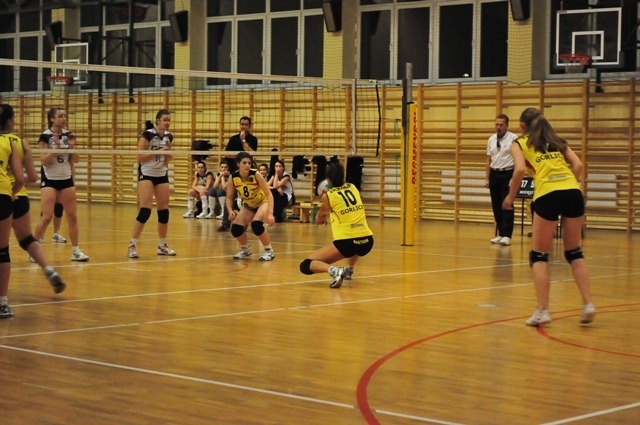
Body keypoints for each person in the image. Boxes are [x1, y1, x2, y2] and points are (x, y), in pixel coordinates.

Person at [502, 107, 595, 326]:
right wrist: (566, 184)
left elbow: (519, 170)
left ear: (522, 126)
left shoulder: (519, 143)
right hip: (573, 192)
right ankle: (588, 304)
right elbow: (578, 165)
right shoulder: (556, 140)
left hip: (547, 194)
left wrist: (510, 197)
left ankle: (543, 311)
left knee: (539, 255)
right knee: (574, 251)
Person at [0, 104, 66, 294]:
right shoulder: (21, 143)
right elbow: (33, 177)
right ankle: (49, 270)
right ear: (11, 121)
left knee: (2, 249)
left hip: (4, 194)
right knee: (27, 238)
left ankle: (3, 298)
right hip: (18, 196)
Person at [298, 161, 374, 289]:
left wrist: (322, 209)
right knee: (356, 243)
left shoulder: (328, 196)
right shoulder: (353, 187)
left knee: (306, 265)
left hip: (347, 243)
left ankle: (334, 271)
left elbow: (319, 220)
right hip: (367, 242)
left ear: (328, 179)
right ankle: (349, 269)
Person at [33, 107, 89, 262]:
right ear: (52, 118)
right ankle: (33, 250)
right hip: (50, 179)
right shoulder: (45, 136)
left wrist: (72, 148)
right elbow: (43, 161)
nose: (64, 118)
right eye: (60, 116)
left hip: (66, 179)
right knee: (47, 217)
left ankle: (76, 251)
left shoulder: (69, 135)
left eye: (65, 116)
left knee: (72, 216)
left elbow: (76, 159)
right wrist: (55, 149)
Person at [128, 109, 176, 259]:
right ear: (158, 121)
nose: (167, 122)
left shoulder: (169, 136)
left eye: (169, 120)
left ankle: (162, 245)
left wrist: (168, 156)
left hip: (161, 174)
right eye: (165, 120)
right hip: (147, 174)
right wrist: (158, 152)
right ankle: (132, 245)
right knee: (145, 211)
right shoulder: (147, 135)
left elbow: (167, 158)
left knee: (164, 211)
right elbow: (139, 157)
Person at [225, 151, 275, 261]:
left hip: (262, 202)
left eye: (249, 163)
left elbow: (269, 194)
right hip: (249, 204)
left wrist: (270, 213)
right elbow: (229, 197)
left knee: (256, 224)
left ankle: (269, 251)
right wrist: (230, 210)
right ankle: (246, 249)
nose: (247, 165)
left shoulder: (255, 174)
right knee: (236, 228)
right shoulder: (233, 177)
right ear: (238, 164)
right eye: (244, 163)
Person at [0, 108, 24, 317]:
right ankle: (2, 303)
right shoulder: (10, 142)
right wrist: (11, 194)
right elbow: (21, 179)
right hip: (2, 196)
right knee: (2, 250)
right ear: (8, 121)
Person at [219, 116, 258, 232]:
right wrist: (241, 157)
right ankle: (225, 223)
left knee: (246, 199)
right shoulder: (233, 139)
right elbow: (227, 154)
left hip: (247, 175)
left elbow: (251, 154)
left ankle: (244, 223)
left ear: (249, 126)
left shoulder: (253, 139)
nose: (243, 126)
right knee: (230, 197)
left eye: (246, 124)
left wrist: (243, 141)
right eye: (242, 124)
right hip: (234, 173)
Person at [485, 113, 518, 246]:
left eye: (501, 125)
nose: (498, 127)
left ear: (507, 125)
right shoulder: (491, 139)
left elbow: (518, 160)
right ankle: (500, 233)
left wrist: (514, 178)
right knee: (496, 204)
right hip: (495, 173)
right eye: (496, 124)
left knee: (507, 204)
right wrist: (487, 178)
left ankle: (507, 235)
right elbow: (488, 159)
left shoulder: (513, 139)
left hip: (507, 173)